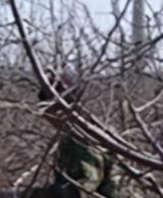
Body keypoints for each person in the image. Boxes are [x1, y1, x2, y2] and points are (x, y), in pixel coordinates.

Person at [29, 69, 139, 198]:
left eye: (48, 111)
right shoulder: (90, 129)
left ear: (60, 108)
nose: (47, 117)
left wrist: (35, 195)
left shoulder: (80, 137)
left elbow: (84, 187)